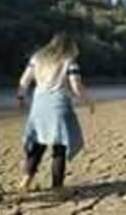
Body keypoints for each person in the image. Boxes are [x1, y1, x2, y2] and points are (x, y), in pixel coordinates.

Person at [16, 33, 94, 192]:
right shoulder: (69, 62)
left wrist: (20, 97)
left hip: (39, 104)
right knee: (60, 146)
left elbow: (24, 81)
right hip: (59, 105)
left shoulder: (37, 59)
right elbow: (76, 86)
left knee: (38, 143)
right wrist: (88, 101)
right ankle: (57, 187)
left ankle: (26, 180)